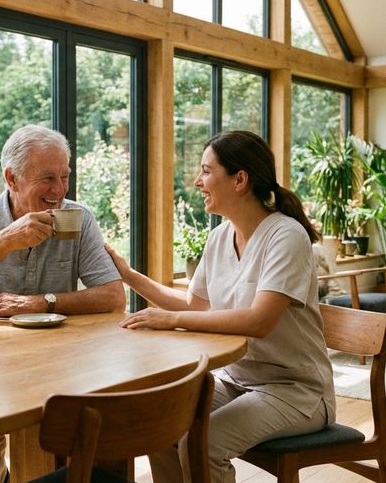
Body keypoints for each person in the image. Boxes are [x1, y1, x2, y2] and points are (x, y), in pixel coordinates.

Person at [105, 130, 335, 483]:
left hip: (296, 391)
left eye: (206, 171)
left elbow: (260, 321)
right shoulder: (218, 238)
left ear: (240, 180)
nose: (198, 181)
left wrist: (171, 320)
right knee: (158, 426)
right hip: (238, 380)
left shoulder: (286, 236)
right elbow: (196, 308)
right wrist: (128, 275)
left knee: (206, 442)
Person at [0, 124, 125, 318]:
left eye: (64, 177)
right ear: (12, 179)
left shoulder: (79, 217)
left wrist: (43, 303)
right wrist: (5, 240)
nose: (60, 189)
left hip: (54, 347)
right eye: (47, 178)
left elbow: (114, 299)